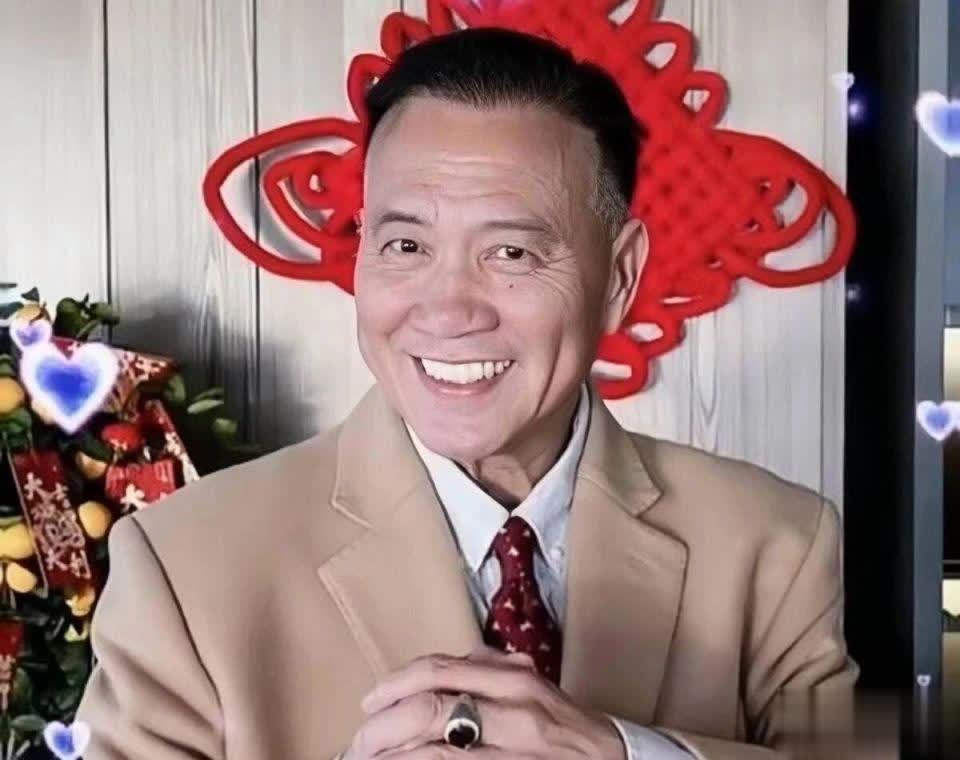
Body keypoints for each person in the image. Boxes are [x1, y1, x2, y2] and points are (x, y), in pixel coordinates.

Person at [76, 27, 859, 760]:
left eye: (511, 252)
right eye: (405, 245)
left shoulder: (777, 546)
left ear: (619, 278)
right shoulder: (183, 566)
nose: (448, 310)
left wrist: (622, 751)